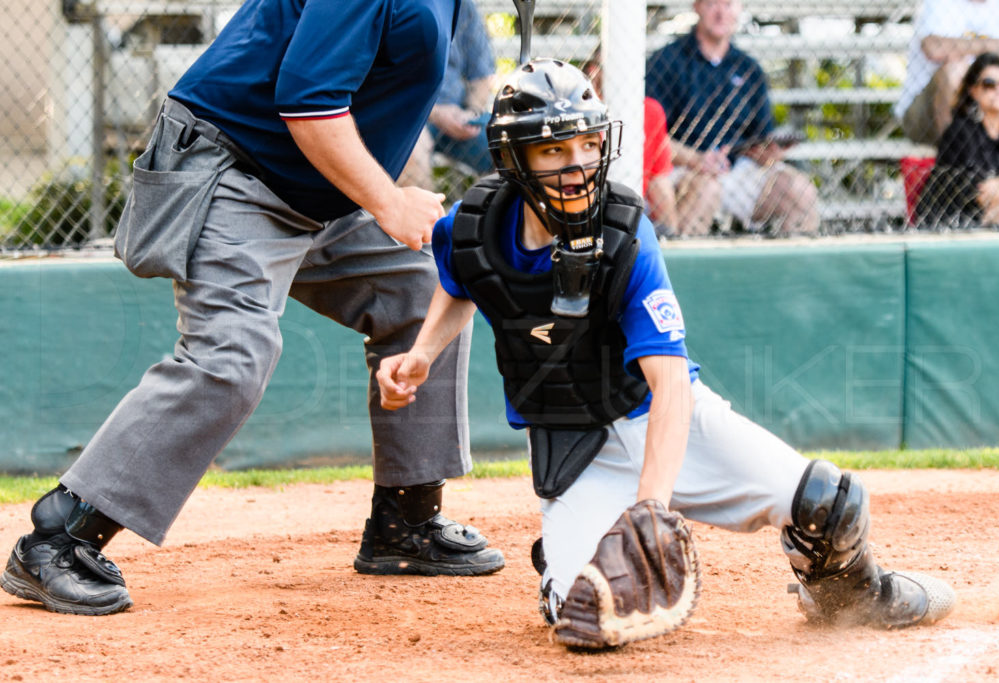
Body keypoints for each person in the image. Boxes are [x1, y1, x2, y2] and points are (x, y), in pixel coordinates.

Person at [376, 58, 955, 648]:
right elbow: (460, 281)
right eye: (553, 152)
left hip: (658, 418)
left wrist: (650, 505)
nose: (576, 166)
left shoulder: (623, 233)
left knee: (829, 505)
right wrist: (422, 353)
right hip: (572, 446)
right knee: (582, 615)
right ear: (514, 159)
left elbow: (671, 383)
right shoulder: (473, 226)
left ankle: (851, 596)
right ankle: (566, 550)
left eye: (586, 144)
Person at [1, 0, 505, 617]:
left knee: (426, 291)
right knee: (232, 358)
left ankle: (407, 522)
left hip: (319, 194)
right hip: (234, 171)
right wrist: (390, 203)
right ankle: (59, 535)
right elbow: (309, 102)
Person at [645, 0, 819, 237]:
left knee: (800, 190)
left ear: (739, 9)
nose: (721, 12)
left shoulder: (749, 68)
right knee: (706, 189)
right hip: (682, 169)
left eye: (728, 4)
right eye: (712, 3)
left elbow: (760, 136)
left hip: (737, 171)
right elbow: (650, 135)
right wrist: (696, 159)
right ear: (697, 6)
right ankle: (685, 270)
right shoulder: (666, 62)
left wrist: (766, 153)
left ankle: (793, 273)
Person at [896, 0, 999, 146]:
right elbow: (934, 49)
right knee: (954, 69)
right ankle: (954, 155)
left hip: (994, 106)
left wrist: (965, 47)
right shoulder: (940, 3)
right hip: (924, 113)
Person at [917, 53, 999, 227]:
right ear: (973, 90)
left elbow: (996, 190)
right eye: (989, 84)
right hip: (956, 220)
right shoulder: (961, 132)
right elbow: (981, 195)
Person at [399, 0, 496, 190]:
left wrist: (472, 112)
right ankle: (429, 220)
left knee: (511, 145)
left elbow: (482, 77)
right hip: (410, 117)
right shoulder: (392, 5)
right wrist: (435, 113)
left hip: (459, 116)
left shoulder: (462, 6)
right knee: (409, 153)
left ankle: (496, 216)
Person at [582, 59, 680, 237]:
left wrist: (672, 233)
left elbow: (659, 180)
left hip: (636, 207)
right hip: (586, 207)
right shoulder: (581, 113)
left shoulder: (649, 110)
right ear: (594, 71)